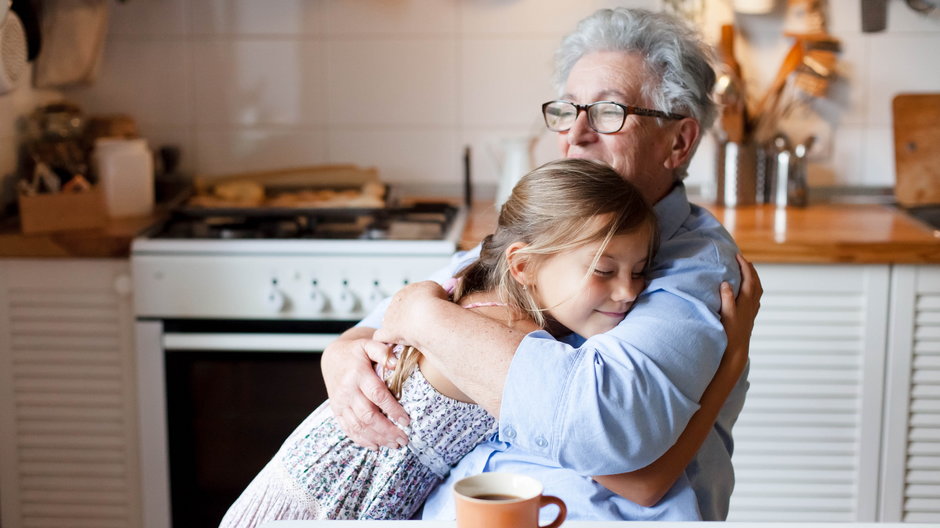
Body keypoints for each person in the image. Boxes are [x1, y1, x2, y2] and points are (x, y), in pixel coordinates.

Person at [321, 7, 754, 521]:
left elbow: (607, 430)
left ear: (678, 142)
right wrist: (341, 356)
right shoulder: (552, 229)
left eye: (609, 112)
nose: (577, 134)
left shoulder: (696, 266)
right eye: (568, 111)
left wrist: (425, 318)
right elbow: (374, 331)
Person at [219, 159, 755, 525]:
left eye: (640, 271)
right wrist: (730, 364)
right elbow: (641, 482)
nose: (628, 292)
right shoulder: (504, 334)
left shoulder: (495, 290)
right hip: (320, 505)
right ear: (523, 266)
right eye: (603, 270)